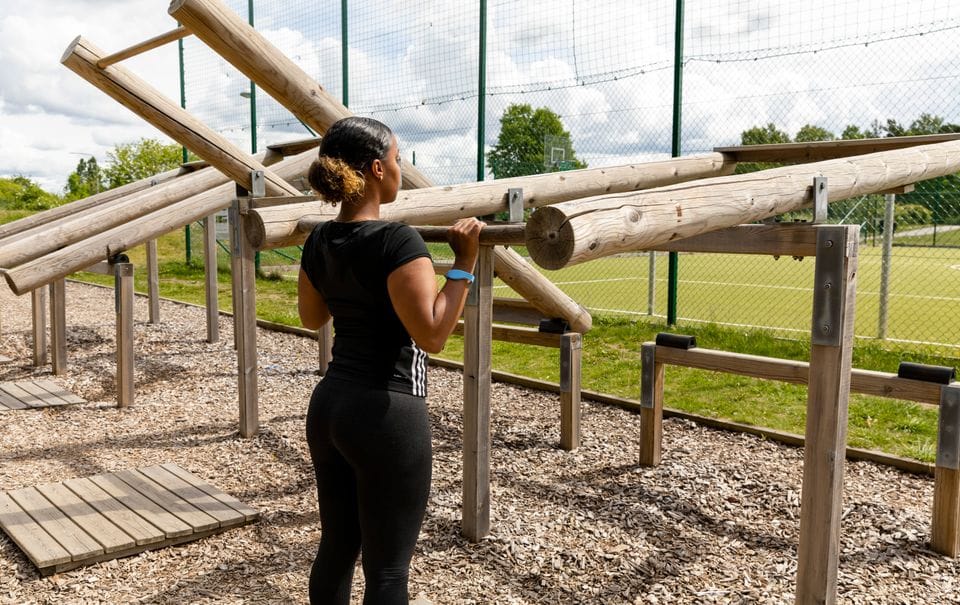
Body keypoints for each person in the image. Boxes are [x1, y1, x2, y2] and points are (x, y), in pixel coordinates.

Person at [297, 116, 484, 605]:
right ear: (378, 169)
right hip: (386, 413)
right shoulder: (398, 241)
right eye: (400, 159)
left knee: (337, 546)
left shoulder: (317, 240)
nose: (403, 168)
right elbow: (434, 334)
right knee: (387, 570)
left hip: (330, 406)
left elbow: (311, 316)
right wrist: (464, 262)